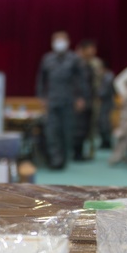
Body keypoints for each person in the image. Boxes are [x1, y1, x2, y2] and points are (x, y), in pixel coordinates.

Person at [36, 31, 90, 169]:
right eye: (57, 40)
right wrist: (42, 97)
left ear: (68, 42)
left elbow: (81, 80)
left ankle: (64, 158)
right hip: (53, 100)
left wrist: (81, 97)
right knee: (52, 131)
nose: (60, 43)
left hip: (69, 101)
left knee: (67, 131)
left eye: (62, 40)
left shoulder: (74, 59)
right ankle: (56, 159)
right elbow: (41, 80)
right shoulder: (47, 59)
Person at [76, 39, 105, 159]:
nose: (93, 51)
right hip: (80, 100)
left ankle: (91, 150)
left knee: (92, 126)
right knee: (79, 127)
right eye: (90, 49)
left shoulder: (96, 63)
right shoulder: (76, 63)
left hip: (93, 99)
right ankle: (77, 151)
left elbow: (100, 81)